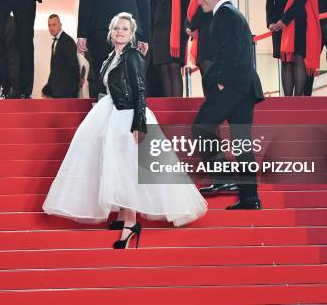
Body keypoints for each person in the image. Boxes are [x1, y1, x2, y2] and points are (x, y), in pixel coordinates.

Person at [43, 12, 207, 249]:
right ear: (111, 33)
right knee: (115, 165)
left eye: (125, 29)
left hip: (128, 115)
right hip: (111, 111)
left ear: (131, 35)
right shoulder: (110, 58)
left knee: (128, 169)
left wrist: (139, 124)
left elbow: (141, 91)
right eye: (117, 29)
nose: (120, 32)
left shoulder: (133, 57)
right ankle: (122, 215)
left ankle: (131, 223)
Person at [192, 0, 264, 210]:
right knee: (242, 142)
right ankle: (250, 198)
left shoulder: (225, 14)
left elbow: (232, 49)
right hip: (244, 86)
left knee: (201, 127)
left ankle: (224, 178)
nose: (199, 1)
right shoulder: (231, 13)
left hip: (232, 85)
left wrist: (221, 81)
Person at [148, 0, 192, 97]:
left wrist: (187, 27)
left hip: (174, 30)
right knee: (163, 71)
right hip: (158, 31)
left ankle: (178, 107)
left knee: (173, 70)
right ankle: (169, 107)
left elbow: (188, 3)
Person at [41, 14, 80, 98]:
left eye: (54, 24)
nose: (51, 28)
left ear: (60, 25)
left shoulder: (67, 41)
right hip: (58, 92)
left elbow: (74, 64)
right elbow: (55, 69)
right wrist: (46, 89)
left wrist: (77, 82)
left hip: (67, 92)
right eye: (49, 25)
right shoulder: (55, 43)